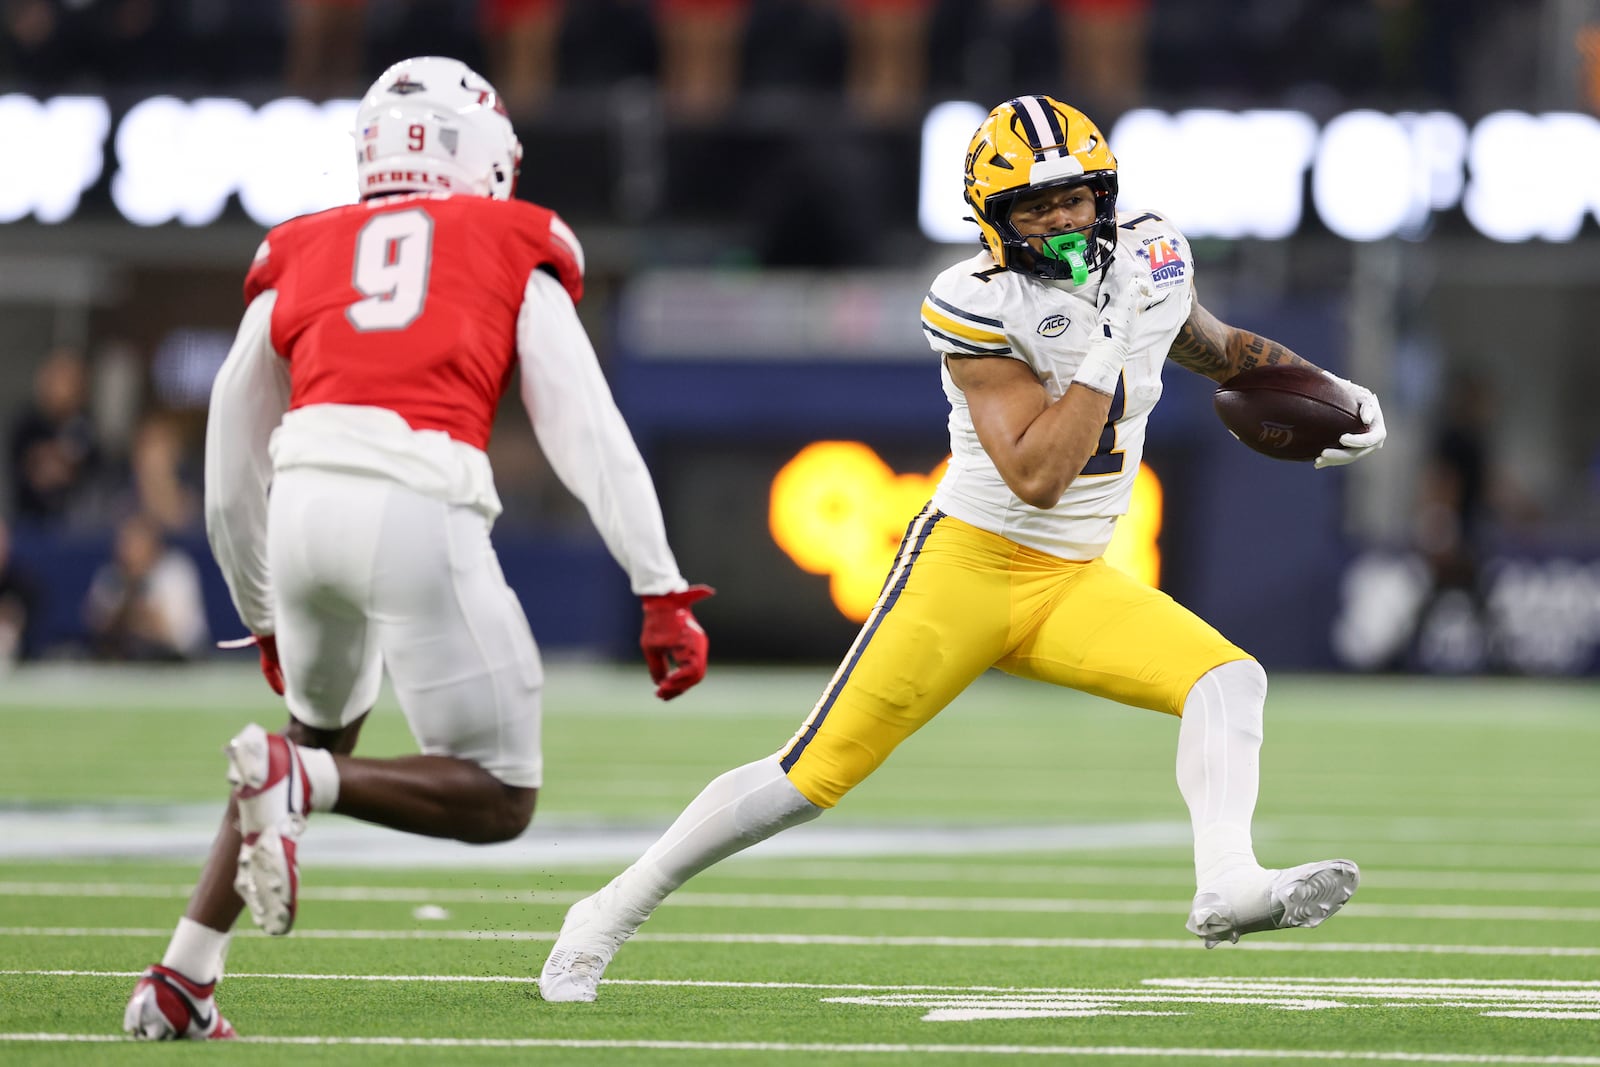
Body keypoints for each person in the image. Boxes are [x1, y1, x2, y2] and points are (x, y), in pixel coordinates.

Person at [538, 93, 1387, 1003]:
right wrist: (1104, 346)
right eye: (1036, 206)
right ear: (994, 219)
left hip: (1072, 581)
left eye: (1075, 197)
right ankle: (601, 916)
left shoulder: (1148, 252)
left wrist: (1325, 387)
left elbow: (1214, 349)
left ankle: (1227, 882)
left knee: (1228, 679)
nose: (1062, 219)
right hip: (970, 567)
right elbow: (1036, 476)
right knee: (807, 777)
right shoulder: (975, 299)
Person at [122, 56, 714, 1040]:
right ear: (478, 151)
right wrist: (659, 585)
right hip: (416, 502)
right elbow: (588, 430)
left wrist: (261, 605)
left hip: (304, 502)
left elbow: (231, 455)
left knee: (317, 727)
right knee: (498, 794)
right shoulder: (508, 237)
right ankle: (298, 784)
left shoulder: (302, 248)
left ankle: (183, 975)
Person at [83, 511, 209, 662]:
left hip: (177, 662)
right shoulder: (112, 575)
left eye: (135, 543)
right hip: (127, 661)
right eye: (125, 543)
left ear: (153, 543)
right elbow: (99, 628)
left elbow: (172, 635)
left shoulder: (175, 570)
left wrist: (137, 611)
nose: (128, 550)